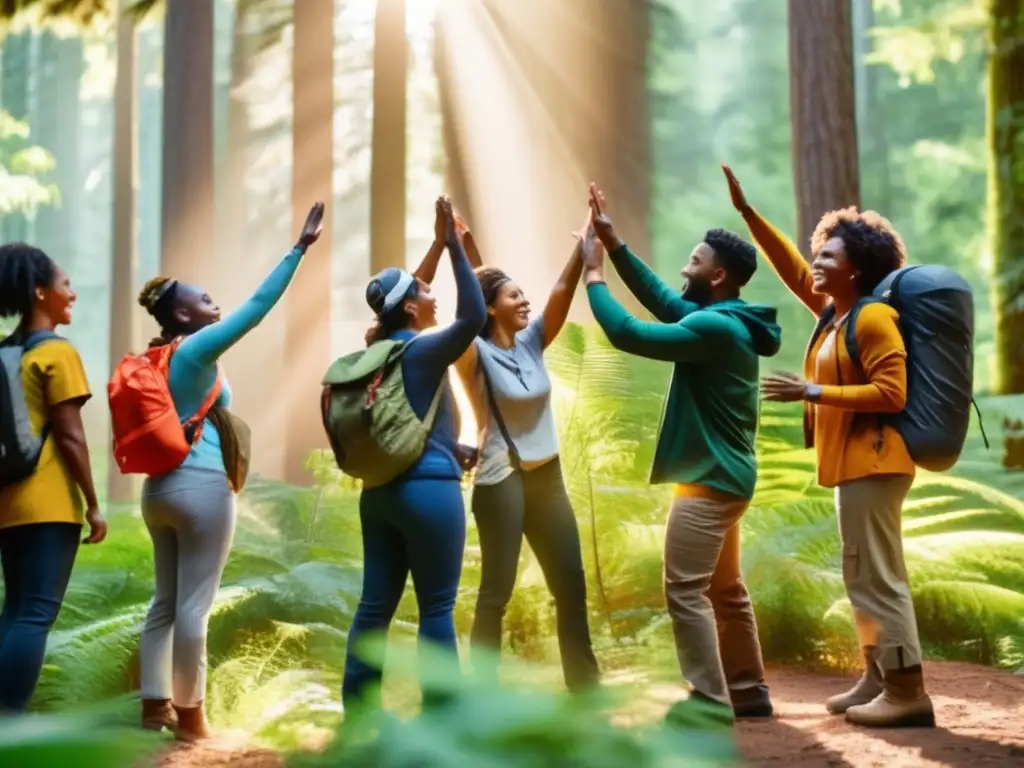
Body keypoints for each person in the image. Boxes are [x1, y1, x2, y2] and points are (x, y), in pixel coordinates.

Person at [722, 165, 934, 729]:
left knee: (880, 576)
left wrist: (811, 389)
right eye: (819, 254)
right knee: (858, 574)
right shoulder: (834, 315)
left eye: (829, 257)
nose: (816, 264)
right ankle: (876, 675)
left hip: (878, 463)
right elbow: (791, 265)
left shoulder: (874, 319)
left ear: (857, 269)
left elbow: (892, 393)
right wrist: (748, 215)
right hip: (849, 466)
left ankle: (908, 689)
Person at [581, 183, 780, 726]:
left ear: (717, 275)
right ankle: (747, 689)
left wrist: (594, 275)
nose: (685, 266)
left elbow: (628, 332)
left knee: (685, 589)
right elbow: (670, 305)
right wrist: (615, 243)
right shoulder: (728, 320)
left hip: (708, 482)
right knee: (724, 588)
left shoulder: (715, 327)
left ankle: (708, 700)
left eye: (694, 261)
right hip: (728, 479)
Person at [135, 202, 325, 741]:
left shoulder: (156, 360)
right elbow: (258, 307)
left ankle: (155, 708)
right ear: (183, 317)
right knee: (195, 605)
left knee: (164, 604)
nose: (211, 300)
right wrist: (299, 248)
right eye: (201, 298)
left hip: (158, 492)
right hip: (200, 490)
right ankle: (192, 719)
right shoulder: (195, 351)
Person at [342, 197, 486, 710]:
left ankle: (358, 721)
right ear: (408, 307)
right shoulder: (424, 350)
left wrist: (453, 446)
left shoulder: (374, 352)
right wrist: (452, 247)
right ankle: (443, 724)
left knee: (374, 607)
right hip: (429, 491)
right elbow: (475, 315)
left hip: (378, 494)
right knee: (438, 609)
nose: (433, 295)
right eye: (426, 292)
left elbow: (401, 303)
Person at [449, 209, 601, 693]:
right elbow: (472, 304)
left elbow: (558, 296)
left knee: (570, 584)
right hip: (501, 479)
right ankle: (485, 697)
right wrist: (458, 252)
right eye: (514, 295)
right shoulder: (471, 352)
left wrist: (582, 250)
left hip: (547, 476)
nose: (525, 300)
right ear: (490, 308)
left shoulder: (530, 343)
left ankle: (585, 692)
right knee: (497, 592)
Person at [0, 244, 105, 714]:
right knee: (36, 615)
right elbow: (71, 435)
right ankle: (10, 724)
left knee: (15, 610)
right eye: (65, 286)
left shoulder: (5, 353)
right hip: (48, 505)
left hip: (7, 501)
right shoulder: (57, 354)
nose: (73, 295)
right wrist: (93, 502)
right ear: (39, 292)